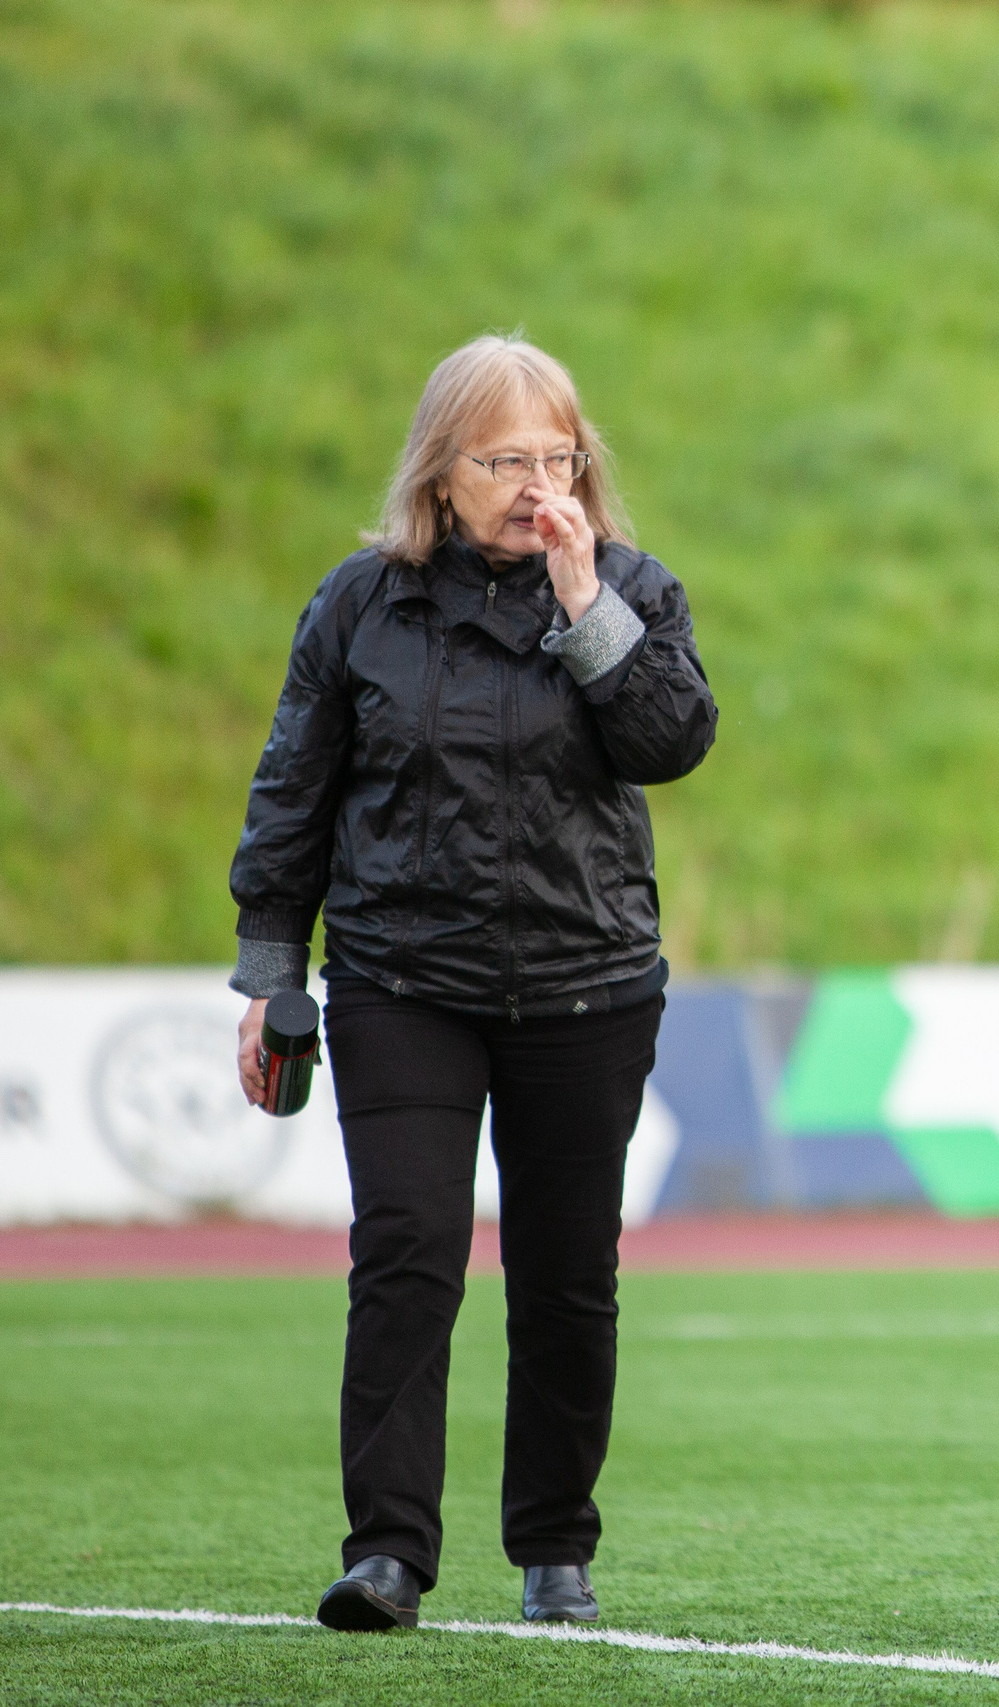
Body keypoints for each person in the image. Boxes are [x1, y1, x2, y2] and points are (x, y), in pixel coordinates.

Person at [227, 334, 718, 1632]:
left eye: (557, 458)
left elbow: (672, 740)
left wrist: (583, 605)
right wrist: (272, 968)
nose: (533, 482)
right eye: (504, 459)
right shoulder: (358, 606)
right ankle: (388, 1553)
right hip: (402, 984)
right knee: (406, 1255)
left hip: (588, 987)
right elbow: (295, 790)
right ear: (440, 473)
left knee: (567, 1278)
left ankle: (556, 1552)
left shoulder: (628, 588)